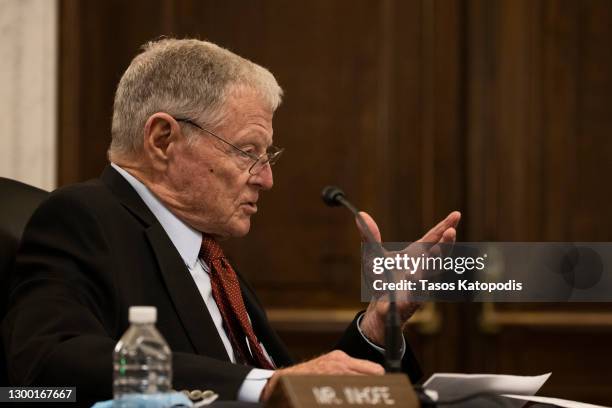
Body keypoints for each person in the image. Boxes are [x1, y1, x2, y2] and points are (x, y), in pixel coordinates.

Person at [2, 38, 460, 406]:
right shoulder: (84, 218)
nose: (267, 178)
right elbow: (48, 362)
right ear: (163, 139)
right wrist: (260, 388)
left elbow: (288, 386)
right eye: (248, 152)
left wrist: (379, 326)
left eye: (267, 156)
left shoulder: (209, 256)